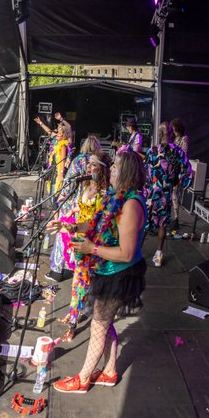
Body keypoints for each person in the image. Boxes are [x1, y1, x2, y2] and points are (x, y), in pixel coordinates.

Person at [55, 149, 148, 393]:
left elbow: (126, 253)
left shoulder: (131, 205)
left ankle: (84, 378)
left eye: (116, 167)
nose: (111, 170)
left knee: (99, 324)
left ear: (126, 172)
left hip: (121, 273)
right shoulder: (113, 197)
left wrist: (91, 248)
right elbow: (96, 223)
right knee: (103, 321)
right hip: (107, 269)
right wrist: (70, 225)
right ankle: (109, 372)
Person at [50, 153, 108, 344]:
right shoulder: (87, 185)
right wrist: (70, 212)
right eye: (89, 164)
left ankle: (73, 324)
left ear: (102, 169)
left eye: (94, 165)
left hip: (90, 243)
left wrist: (74, 227)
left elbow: (95, 222)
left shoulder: (104, 194)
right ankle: (74, 312)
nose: (89, 167)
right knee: (79, 281)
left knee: (80, 284)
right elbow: (81, 206)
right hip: (78, 238)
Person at [146, 122, 190, 268]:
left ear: (159, 134)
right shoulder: (178, 151)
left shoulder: (152, 151)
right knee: (162, 223)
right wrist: (177, 181)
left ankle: (135, 253)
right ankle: (158, 255)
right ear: (171, 133)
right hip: (166, 193)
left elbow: (145, 172)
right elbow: (188, 171)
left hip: (151, 193)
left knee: (145, 223)